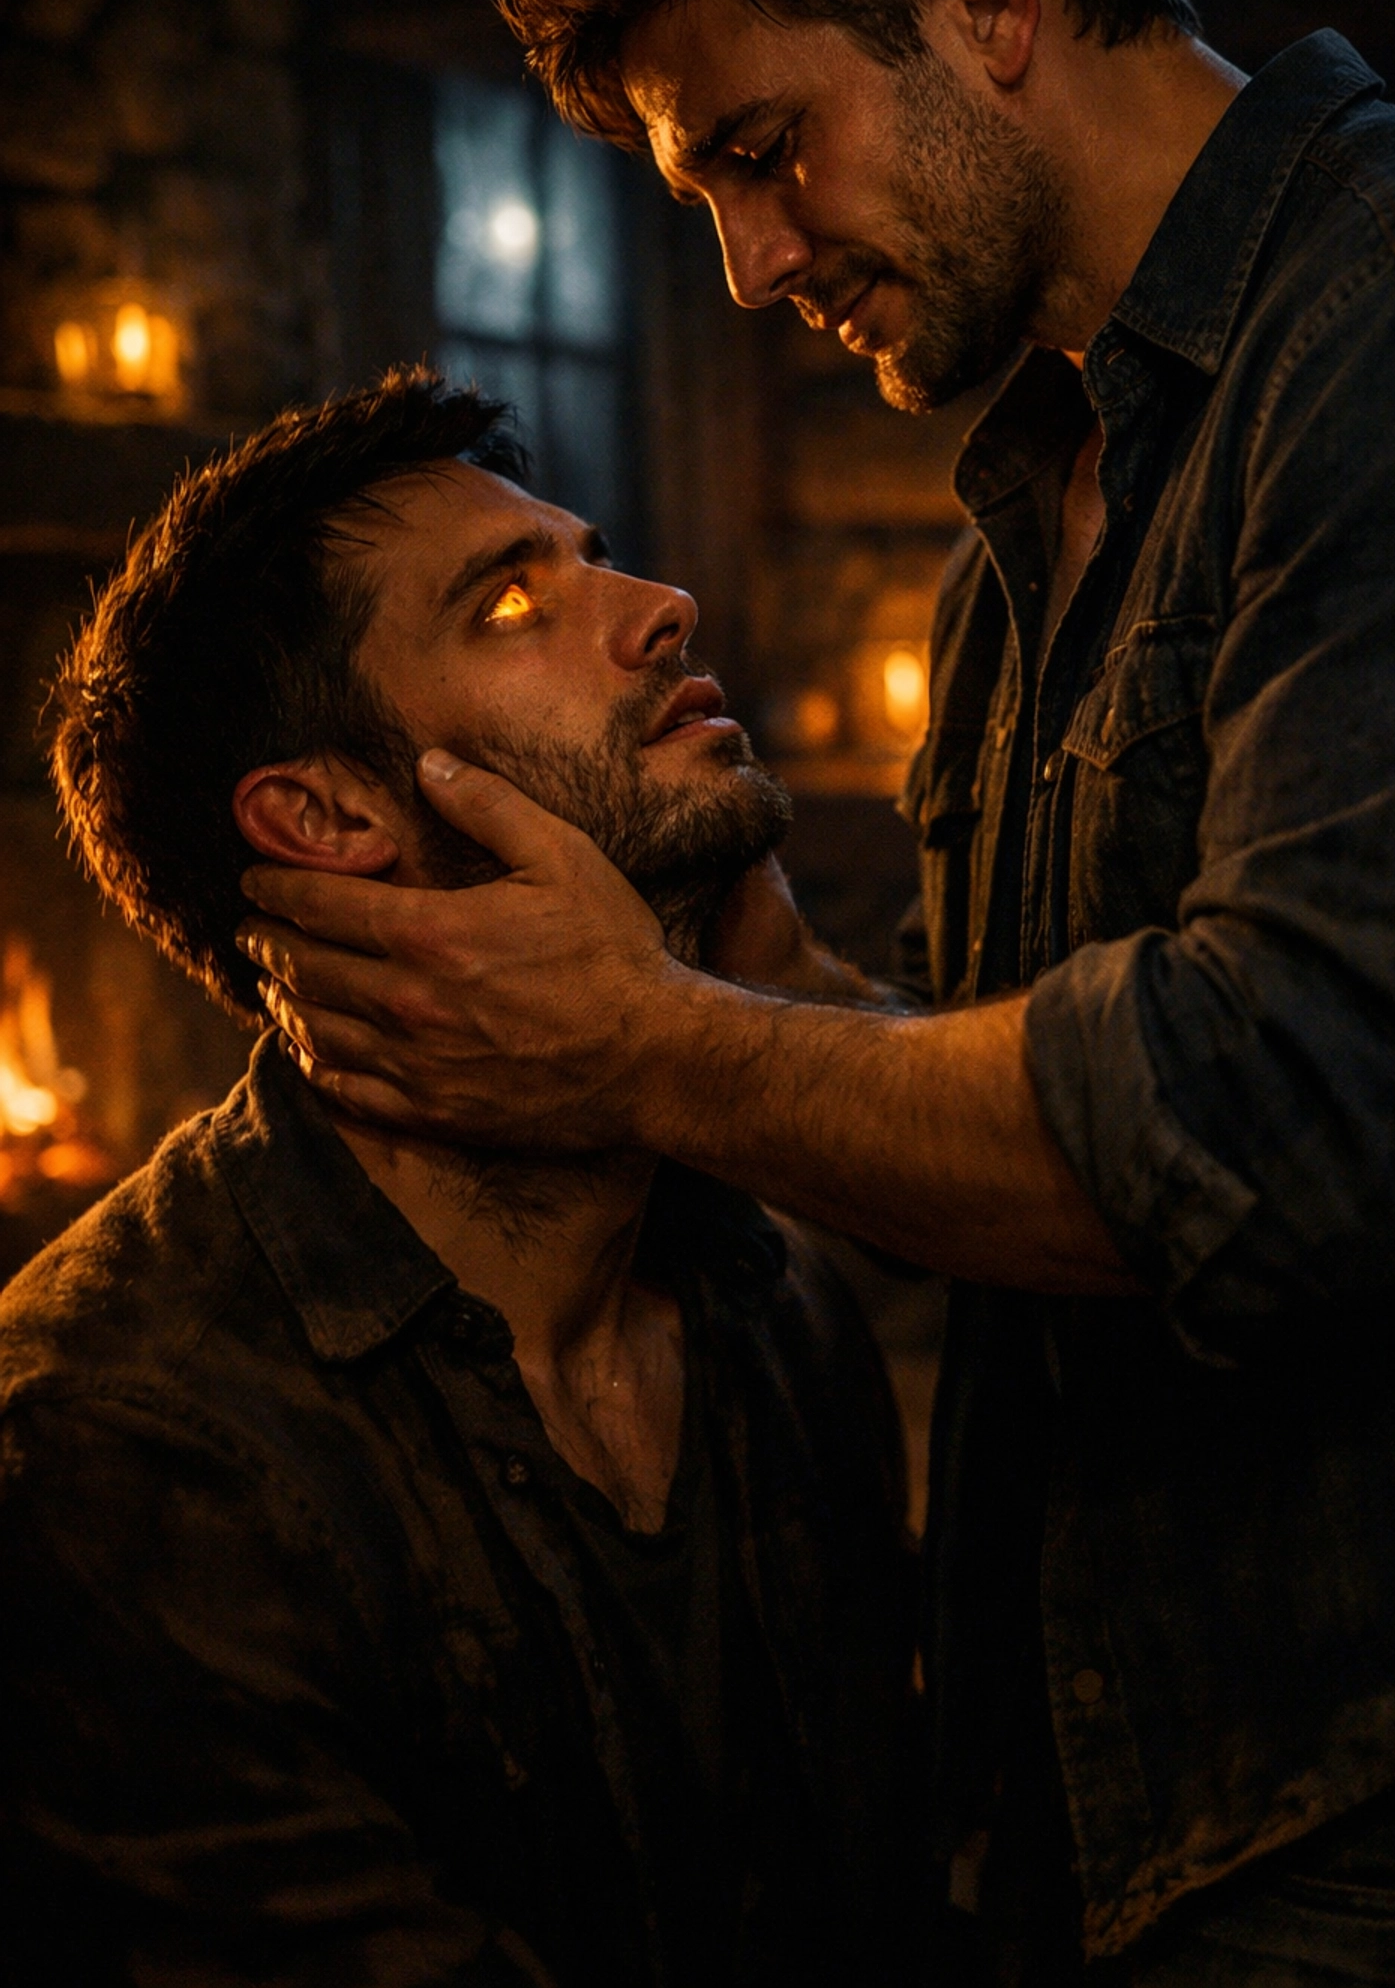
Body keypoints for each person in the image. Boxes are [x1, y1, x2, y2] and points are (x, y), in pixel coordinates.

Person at [236, 0, 1395, 1986]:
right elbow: (1007, 1103)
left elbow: (1280, 1123)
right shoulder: (1019, 528)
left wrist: (652, 1048)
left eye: (765, 152)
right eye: (706, 199)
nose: (749, 267)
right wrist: (755, 982)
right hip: (1119, 1818)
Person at [0, 369, 920, 1988]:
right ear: (328, 816)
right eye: (510, 604)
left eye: (596, 557)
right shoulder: (121, 1449)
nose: (662, 608)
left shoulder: (771, 1301)